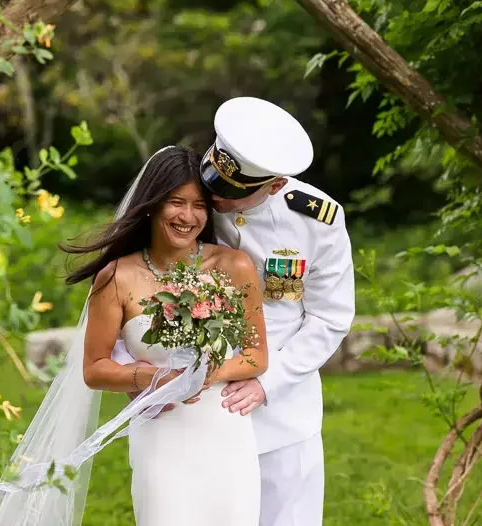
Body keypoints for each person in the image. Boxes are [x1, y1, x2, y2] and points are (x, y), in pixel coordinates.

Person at [0, 146, 269, 526]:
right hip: (160, 431)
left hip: (225, 429)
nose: (188, 217)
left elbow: (256, 356)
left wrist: (202, 375)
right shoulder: (117, 278)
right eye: (175, 203)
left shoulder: (234, 266)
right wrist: (151, 378)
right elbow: (94, 368)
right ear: (151, 204)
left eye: (199, 205)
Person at [115, 96, 355, 526]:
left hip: (282, 416)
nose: (216, 202)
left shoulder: (317, 220)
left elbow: (330, 316)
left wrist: (268, 381)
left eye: (233, 194)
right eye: (215, 184)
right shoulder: (184, 200)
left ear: (276, 184)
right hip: (186, 414)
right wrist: (134, 373)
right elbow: (131, 286)